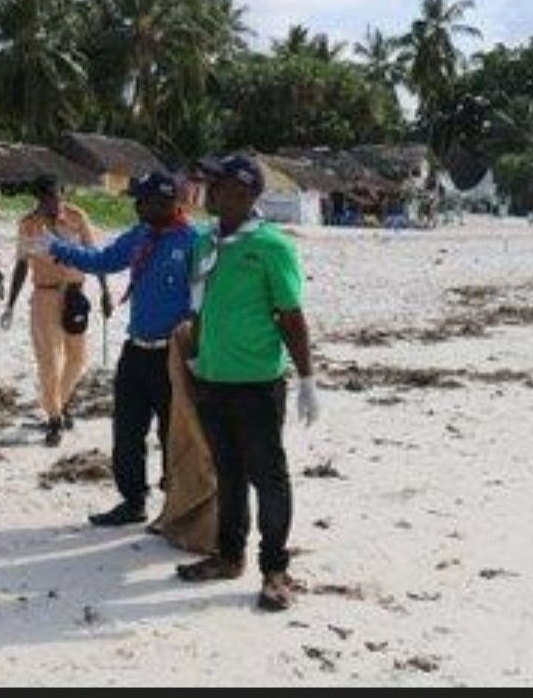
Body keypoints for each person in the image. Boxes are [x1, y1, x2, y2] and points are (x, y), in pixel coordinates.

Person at [175, 154, 321, 613]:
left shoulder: (272, 246)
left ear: (242, 193)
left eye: (216, 186)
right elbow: (198, 306)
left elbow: (291, 316)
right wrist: (195, 358)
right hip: (212, 381)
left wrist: (307, 380)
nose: (208, 192)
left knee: (268, 477)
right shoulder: (205, 243)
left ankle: (275, 569)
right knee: (229, 474)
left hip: (258, 384)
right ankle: (228, 555)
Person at [22, 171, 197, 527]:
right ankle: (133, 502)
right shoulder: (140, 236)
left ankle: (174, 504)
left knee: (171, 433)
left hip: (172, 354)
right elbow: (101, 260)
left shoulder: (194, 241)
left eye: (143, 199)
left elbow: (206, 300)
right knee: (127, 431)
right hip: (136, 349)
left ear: (167, 202)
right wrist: (56, 248)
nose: (136, 205)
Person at [0, 174, 113, 447]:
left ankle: (58, 404)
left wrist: (105, 292)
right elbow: (22, 265)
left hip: (76, 294)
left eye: (58, 196)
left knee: (78, 358)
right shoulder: (29, 225)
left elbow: (94, 255)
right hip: (44, 297)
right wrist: (11, 305)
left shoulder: (76, 217)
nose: (55, 202)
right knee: (49, 361)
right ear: (39, 199)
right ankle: (54, 419)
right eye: (49, 198)